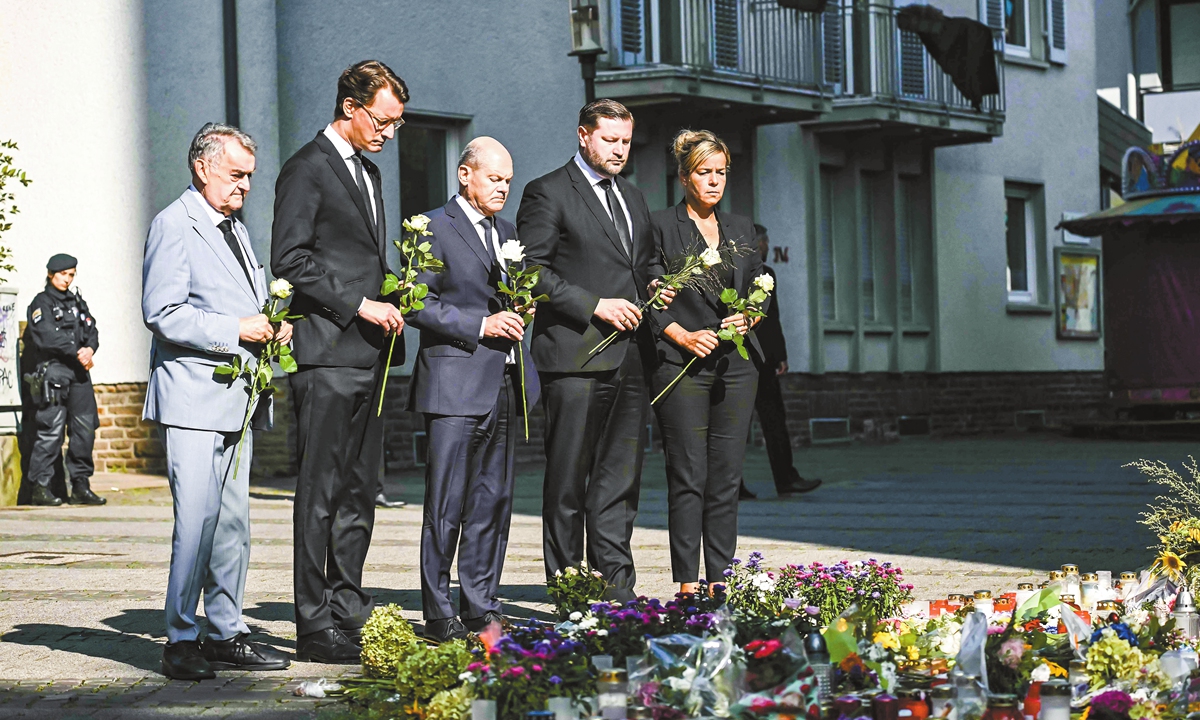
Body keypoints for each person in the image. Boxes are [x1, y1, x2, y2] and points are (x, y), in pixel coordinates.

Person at [142, 122, 291, 680]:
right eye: (236, 175)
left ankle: (226, 631)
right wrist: (238, 328)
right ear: (202, 167)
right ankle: (180, 637)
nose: (245, 186)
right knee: (198, 520)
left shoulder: (234, 227)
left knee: (233, 524)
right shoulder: (173, 225)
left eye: (250, 176)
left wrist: (272, 326)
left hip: (238, 395)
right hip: (193, 398)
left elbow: (244, 300)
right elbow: (162, 312)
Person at [271, 59, 408, 663]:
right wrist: (360, 303)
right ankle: (312, 622)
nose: (389, 133)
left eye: (398, 124)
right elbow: (290, 258)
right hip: (326, 353)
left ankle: (348, 605)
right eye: (383, 120)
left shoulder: (369, 172)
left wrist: (394, 292)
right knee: (320, 490)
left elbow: (358, 256)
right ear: (351, 108)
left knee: (360, 488)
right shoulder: (306, 169)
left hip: (369, 354)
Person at [517, 99, 667, 601]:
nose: (620, 150)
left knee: (619, 479)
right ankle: (569, 590)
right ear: (584, 136)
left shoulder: (634, 198)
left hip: (630, 357)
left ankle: (616, 587)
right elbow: (531, 272)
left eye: (626, 141)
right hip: (574, 357)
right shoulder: (548, 192)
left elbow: (644, 264)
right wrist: (594, 305)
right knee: (568, 482)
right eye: (610, 140)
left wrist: (657, 286)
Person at [407, 137, 539, 642]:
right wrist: (482, 325)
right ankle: (438, 612)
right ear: (465, 175)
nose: (504, 187)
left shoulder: (508, 233)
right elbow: (416, 303)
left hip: (502, 383)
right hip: (454, 383)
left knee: (492, 502)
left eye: (508, 179)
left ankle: (480, 604)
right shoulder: (430, 227)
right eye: (494, 178)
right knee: (446, 504)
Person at [647, 129, 764, 594]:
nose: (714, 182)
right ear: (683, 176)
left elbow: (761, 286)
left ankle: (720, 578)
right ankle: (686, 582)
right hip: (681, 364)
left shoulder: (742, 228)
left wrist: (751, 316)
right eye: (703, 173)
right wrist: (679, 334)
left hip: (737, 366)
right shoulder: (659, 225)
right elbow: (650, 293)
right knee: (688, 472)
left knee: (726, 475)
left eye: (720, 173)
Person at [738, 225, 822, 500]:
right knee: (773, 420)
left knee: (734, 425)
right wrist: (779, 355)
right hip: (760, 360)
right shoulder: (764, 274)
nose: (766, 246)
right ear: (756, 243)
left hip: (737, 358)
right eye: (765, 241)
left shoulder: (732, 273)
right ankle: (785, 478)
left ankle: (731, 486)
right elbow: (771, 320)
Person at [20, 254, 103, 507]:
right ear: (50, 274)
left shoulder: (77, 302)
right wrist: (76, 351)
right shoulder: (41, 303)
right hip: (54, 373)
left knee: (84, 431)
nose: (67, 279)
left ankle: (80, 486)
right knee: (50, 433)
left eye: (71, 274)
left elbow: (92, 330)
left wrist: (90, 348)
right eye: (62, 274)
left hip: (79, 375)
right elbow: (45, 337)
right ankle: (40, 488)